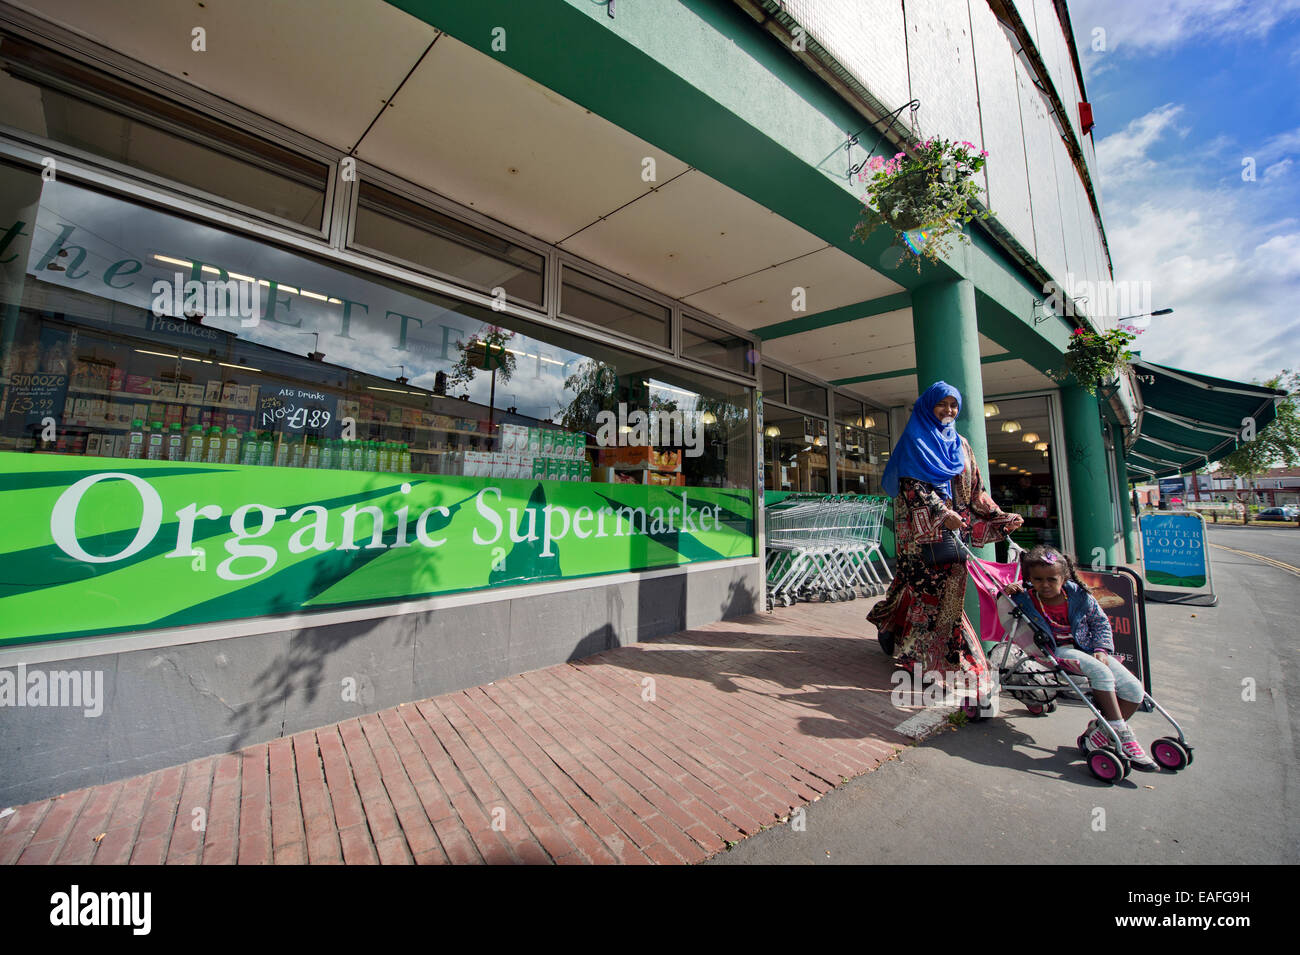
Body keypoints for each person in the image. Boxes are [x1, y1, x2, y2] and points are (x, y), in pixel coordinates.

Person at [867, 382, 1022, 696]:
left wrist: (999, 516)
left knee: (944, 597)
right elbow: (911, 486)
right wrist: (940, 511)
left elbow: (976, 490)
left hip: (955, 535)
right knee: (929, 598)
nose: (948, 410)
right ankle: (921, 662)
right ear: (929, 405)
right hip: (920, 536)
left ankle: (893, 628)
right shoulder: (915, 438)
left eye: (954, 405)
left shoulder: (962, 445)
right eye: (943, 404)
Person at [1001, 545, 1157, 771]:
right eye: (1038, 579)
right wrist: (1008, 589)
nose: (1045, 585)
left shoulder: (1078, 594)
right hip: (1057, 651)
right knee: (1101, 673)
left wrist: (1102, 649)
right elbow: (1003, 601)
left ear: (1064, 577)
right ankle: (1122, 734)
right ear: (1029, 579)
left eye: (1051, 579)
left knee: (1134, 688)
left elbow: (1100, 623)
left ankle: (1100, 732)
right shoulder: (1025, 597)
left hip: (1087, 648)